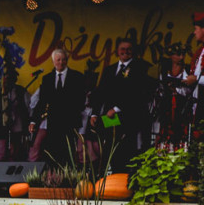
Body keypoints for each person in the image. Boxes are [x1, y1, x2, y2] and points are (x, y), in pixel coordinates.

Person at [92, 38, 154, 171]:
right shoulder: (110, 69)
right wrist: (94, 113)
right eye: (122, 49)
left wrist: (116, 108)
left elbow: (137, 93)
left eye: (129, 49)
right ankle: (113, 177)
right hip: (110, 118)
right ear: (117, 51)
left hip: (129, 116)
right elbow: (100, 93)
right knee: (110, 148)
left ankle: (124, 180)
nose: (125, 52)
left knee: (126, 150)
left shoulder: (140, 67)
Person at [29, 48, 86, 164]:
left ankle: (69, 180)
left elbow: (81, 100)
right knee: (53, 155)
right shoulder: (47, 78)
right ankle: (55, 180)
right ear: (53, 61)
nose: (61, 62)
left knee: (69, 155)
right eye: (58, 60)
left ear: (67, 60)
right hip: (53, 123)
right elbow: (42, 102)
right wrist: (34, 121)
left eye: (63, 60)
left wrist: (69, 111)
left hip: (70, 122)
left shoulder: (77, 77)